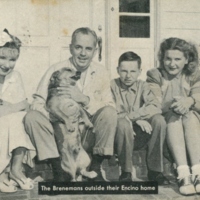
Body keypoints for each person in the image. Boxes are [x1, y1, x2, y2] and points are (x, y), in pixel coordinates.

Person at [24, 27, 117, 181]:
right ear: (70, 48)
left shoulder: (102, 72)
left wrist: (84, 99)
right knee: (31, 117)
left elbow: (110, 106)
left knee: (109, 112)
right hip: (60, 135)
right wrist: (57, 117)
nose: (83, 53)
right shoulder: (56, 70)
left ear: (95, 51)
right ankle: (59, 169)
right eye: (78, 47)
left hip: (87, 134)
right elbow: (37, 102)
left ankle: (95, 168)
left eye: (88, 48)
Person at [147, 37, 200, 195]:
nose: (172, 63)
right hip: (168, 122)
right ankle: (184, 174)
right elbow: (155, 103)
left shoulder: (193, 75)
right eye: (168, 58)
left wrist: (189, 100)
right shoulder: (155, 75)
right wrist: (177, 103)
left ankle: (197, 172)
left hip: (192, 123)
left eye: (177, 59)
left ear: (186, 60)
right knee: (175, 117)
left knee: (189, 116)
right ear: (162, 58)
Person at [111, 51, 169, 184]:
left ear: (139, 71)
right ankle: (126, 172)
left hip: (141, 134)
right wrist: (136, 119)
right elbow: (111, 112)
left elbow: (155, 106)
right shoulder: (111, 86)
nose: (128, 76)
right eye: (124, 71)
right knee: (123, 123)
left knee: (159, 120)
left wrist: (133, 117)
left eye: (133, 71)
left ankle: (155, 171)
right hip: (119, 136)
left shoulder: (143, 86)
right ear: (117, 70)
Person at [0, 29, 35, 192]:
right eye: (2, 57)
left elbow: (24, 104)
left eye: (12, 59)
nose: (7, 64)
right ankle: (2, 173)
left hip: (6, 119)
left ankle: (14, 169)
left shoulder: (15, 76)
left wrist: (8, 107)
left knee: (18, 118)